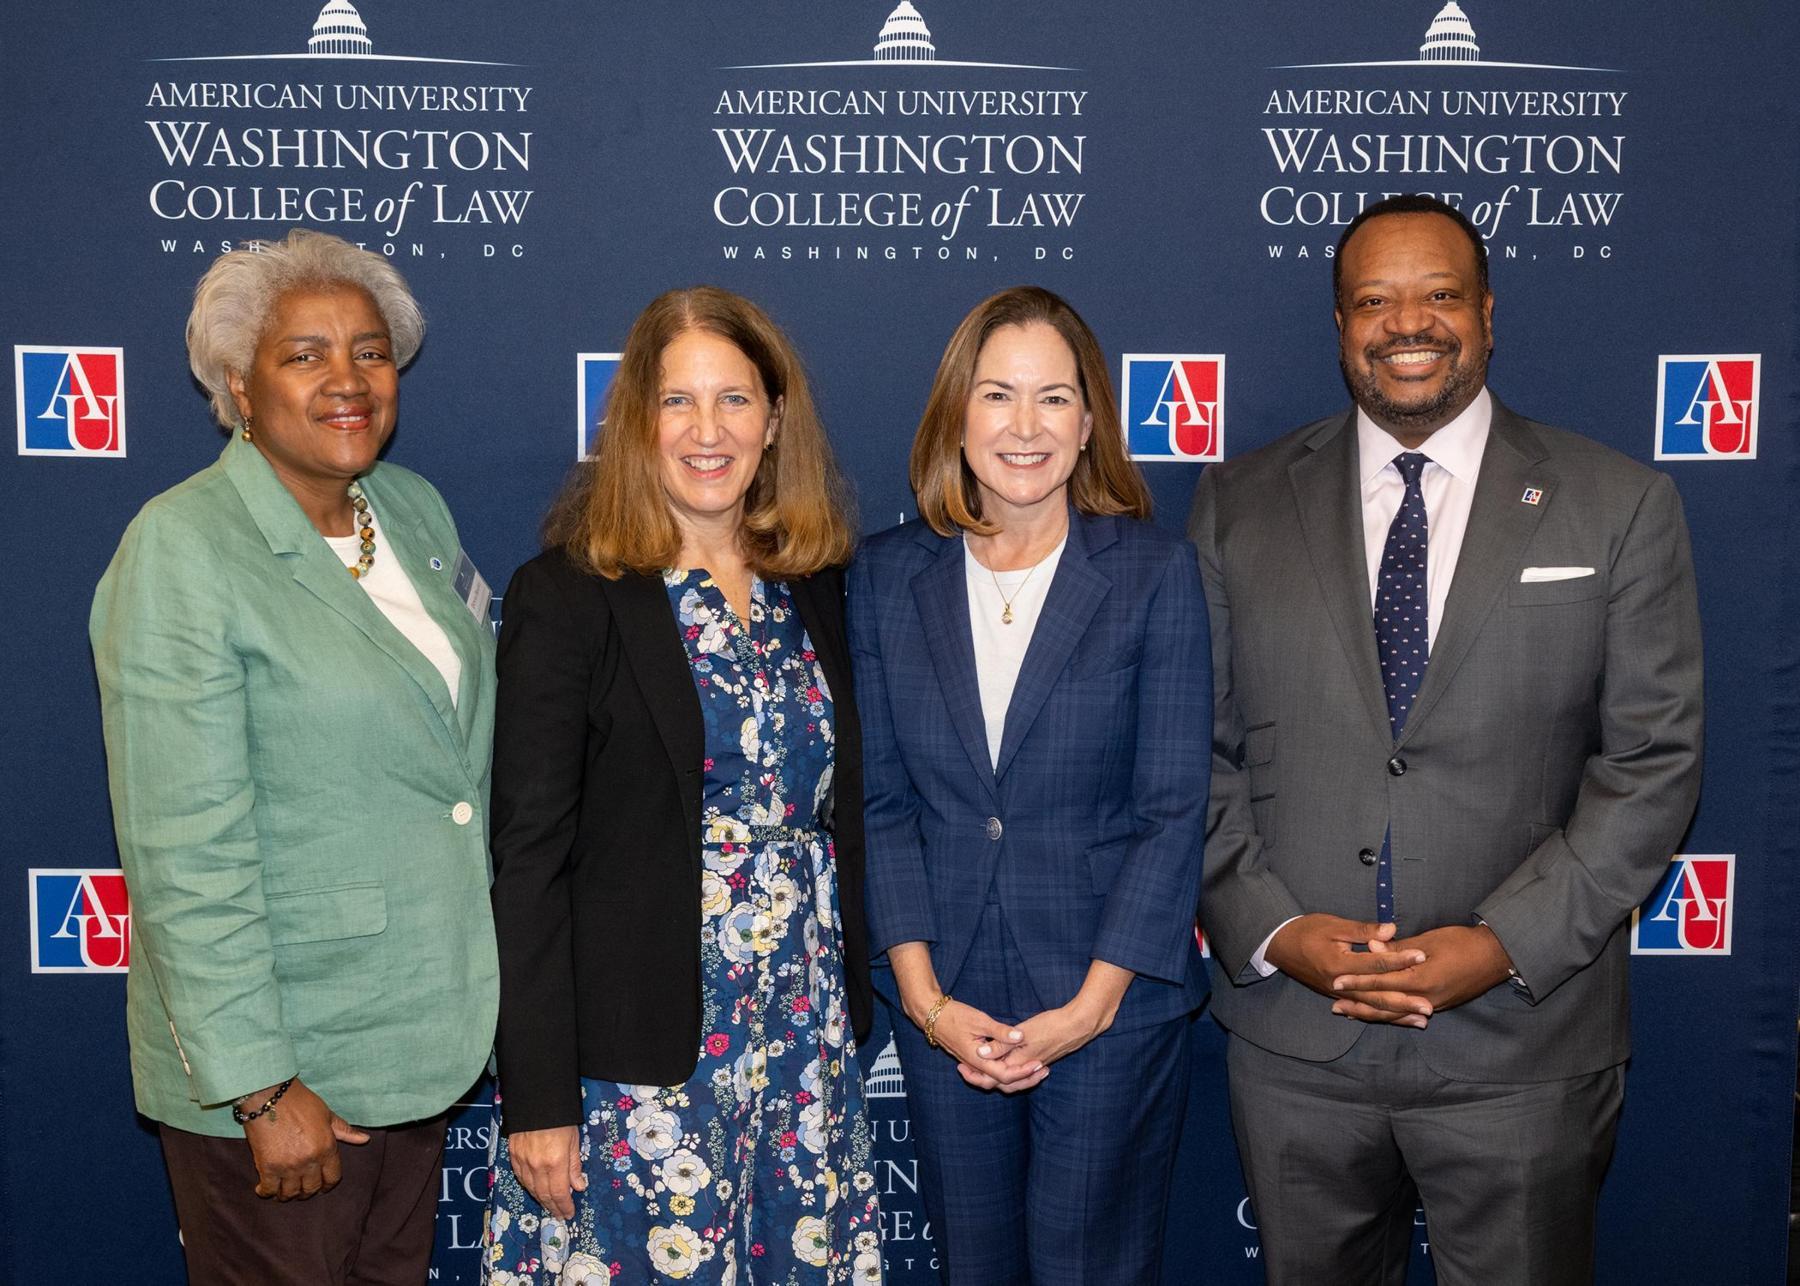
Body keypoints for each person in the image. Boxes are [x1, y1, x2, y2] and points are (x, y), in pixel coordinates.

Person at [1188, 194, 1704, 1285]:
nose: (1405, 322)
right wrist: (1275, 931)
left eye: (1438, 294)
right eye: (1373, 299)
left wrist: (1500, 941)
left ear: (1487, 313)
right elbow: (1193, 753)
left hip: (1526, 1041)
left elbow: (1651, 764)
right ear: (1339, 324)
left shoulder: (1617, 503)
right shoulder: (1235, 504)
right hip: (1299, 1039)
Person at [89, 228, 500, 1283]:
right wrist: (262, 1087)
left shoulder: (409, 513)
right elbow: (185, 847)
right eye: (304, 354)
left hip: (413, 1038)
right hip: (283, 1075)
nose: (347, 380)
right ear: (237, 381)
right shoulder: (183, 547)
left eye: (368, 351)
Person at [484, 287, 882, 1285]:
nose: (709, 432)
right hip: (640, 1060)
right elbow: (527, 859)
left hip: (801, 1042)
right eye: (677, 402)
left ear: (775, 418)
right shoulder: (569, 594)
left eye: (735, 400)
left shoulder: (816, 583)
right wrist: (538, 1094)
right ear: (635, 422)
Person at [849, 285, 1210, 1286]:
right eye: (998, 395)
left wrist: (1089, 1008)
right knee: (975, 1268)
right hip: (944, 999)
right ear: (956, 420)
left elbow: (1172, 808)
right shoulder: (885, 577)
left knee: (1085, 1267)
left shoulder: (1153, 572)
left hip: (1107, 1003)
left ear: (1089, 423)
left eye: (1054, 398)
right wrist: (924, 1000)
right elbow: (880, 805)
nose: (1024, 425)